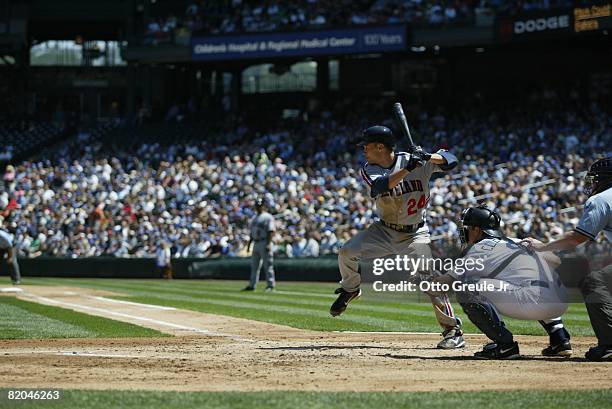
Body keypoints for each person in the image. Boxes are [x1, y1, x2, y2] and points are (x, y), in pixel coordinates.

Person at [330, 125, 465, 349]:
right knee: (347, 252)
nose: (363, 150)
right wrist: (409, 167)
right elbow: (381, 185)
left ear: (380, 146)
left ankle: (452, 330)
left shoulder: (416, 160)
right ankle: (351, 288)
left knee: (429, 279)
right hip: (383, 230)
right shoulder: (369, 168)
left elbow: (452, 160)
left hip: (415, 234)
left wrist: (428, 157)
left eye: (366, 146)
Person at [437, 205, 572, 359]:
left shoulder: (478, 249)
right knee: (527, 279)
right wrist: (540, 248)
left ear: (476, 230)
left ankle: (505, 345)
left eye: (466, 228)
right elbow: (556, 261)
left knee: (465, 287)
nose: (464, 232)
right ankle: (559, 338)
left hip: (533, 301)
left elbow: (444, 284)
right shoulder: (516, 241)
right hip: (561, 300)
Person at [523, 157, 612, 361]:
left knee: (595, 282)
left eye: (596, 179)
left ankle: (609, 345)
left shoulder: (602, 199)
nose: (593, 184)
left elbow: (577, 238)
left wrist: (543, 247)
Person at [243, 198, 276, 292]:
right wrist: (249, 245)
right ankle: (252, 285)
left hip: (264, 241)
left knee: (268, 265)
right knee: (254, 266)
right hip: (256, 243)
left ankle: (270, 285)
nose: (258, 207)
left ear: (264, 206)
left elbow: (271, 231)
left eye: (260, 205)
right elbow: (252, 233)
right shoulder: (254, 218)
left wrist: (269, 243)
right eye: (257, 205)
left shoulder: (268, 217)